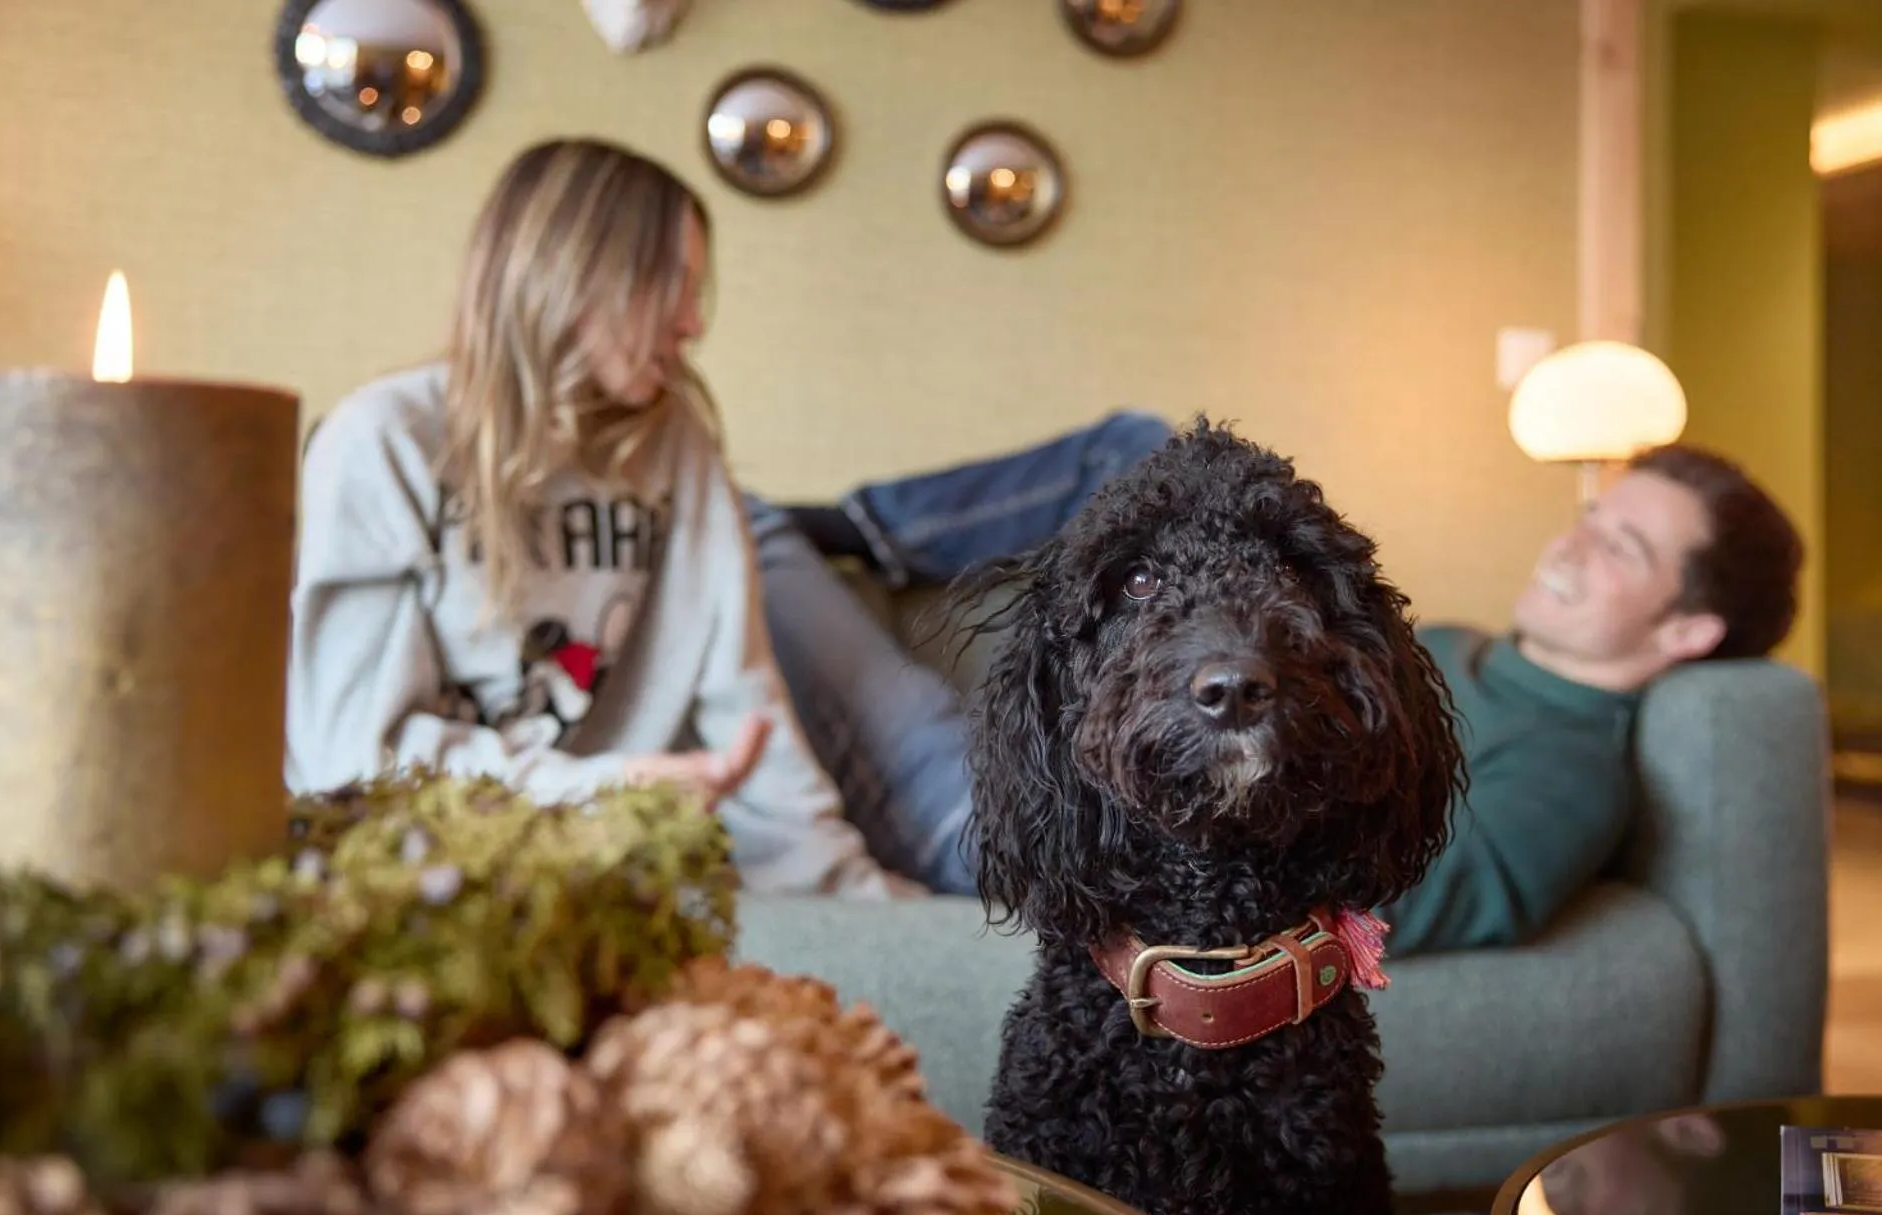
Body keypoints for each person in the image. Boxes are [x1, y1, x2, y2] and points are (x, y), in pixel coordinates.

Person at [746, 415, 1804, 953]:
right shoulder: (1454, 644)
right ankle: (852, 529)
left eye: (1624, 548)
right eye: (1590, 514)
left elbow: (1409, 882)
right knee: (1138, 444)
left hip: (1049, 834)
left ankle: (790, 524)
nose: (1572, 547)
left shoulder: (1575, 764)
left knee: (746, 529)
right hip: (1050, 786)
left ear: (1689, 625)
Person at [284, 136, 916, 901]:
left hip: (626, 868)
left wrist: (859, 901)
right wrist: (600, 791)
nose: (692, 324)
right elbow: (353, 761)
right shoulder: (382, 441)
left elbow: (745, 710)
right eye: (672, 285)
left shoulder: (675, 446)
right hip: (409, 872)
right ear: (578, 274)